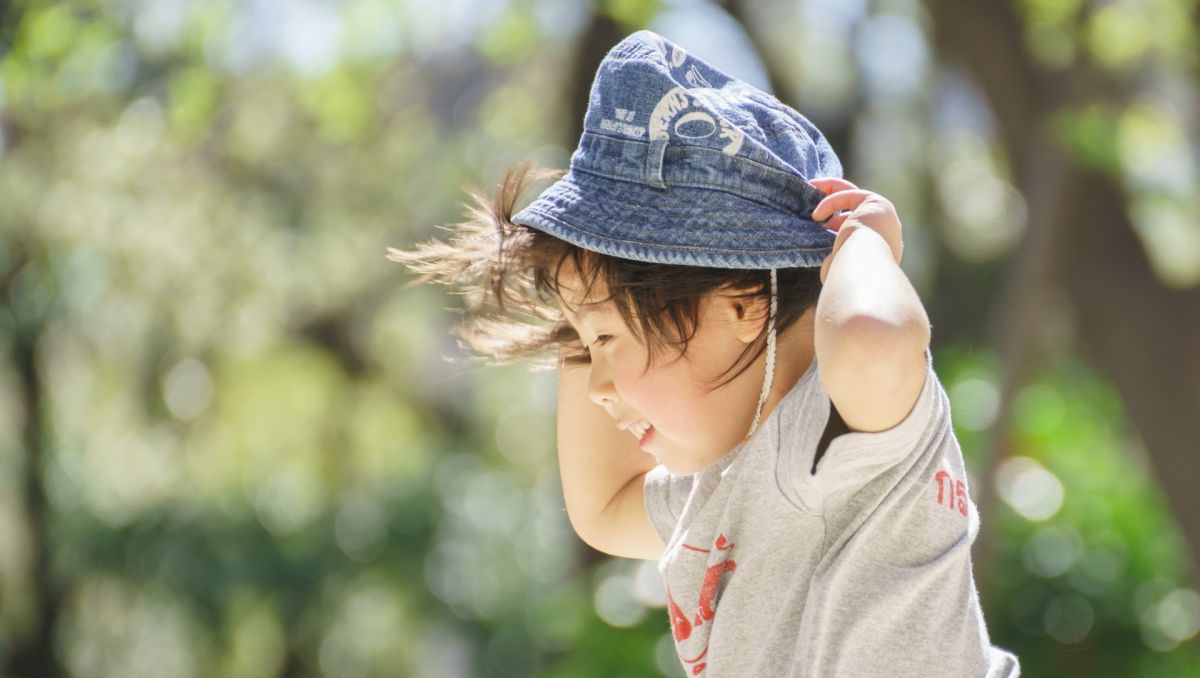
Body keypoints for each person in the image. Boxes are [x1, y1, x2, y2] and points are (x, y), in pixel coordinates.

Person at [389, 29, 1020, 677]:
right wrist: (581, 286)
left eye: (606, 340)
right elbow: (602, 506)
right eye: (584, 346)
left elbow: (871, 336)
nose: (596, 385)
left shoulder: (844, 433)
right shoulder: (724, 483)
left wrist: (863, 243)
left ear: (743, 305)